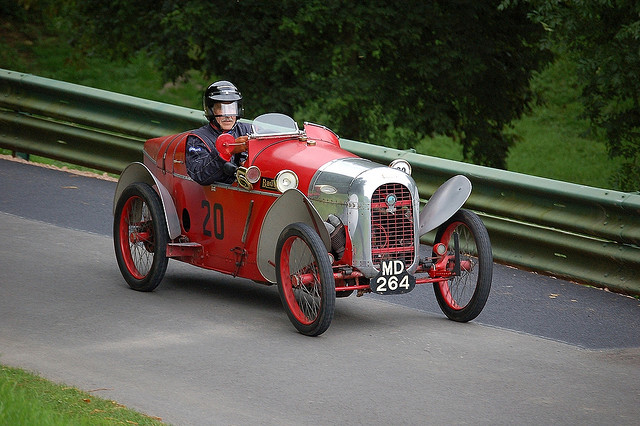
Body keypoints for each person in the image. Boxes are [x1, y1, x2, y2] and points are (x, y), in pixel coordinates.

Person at [185, 81, 252, 185]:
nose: (228, 115)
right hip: (220, 195)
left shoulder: (249, 130)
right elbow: (199, 174)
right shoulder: (197, 139)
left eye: (231, 108)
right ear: (211, 110)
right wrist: (227, 150)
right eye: (221, 108)